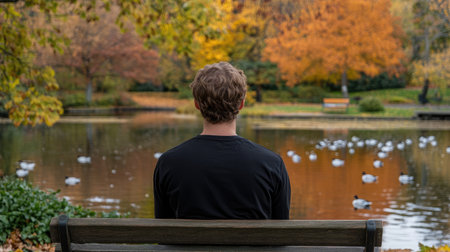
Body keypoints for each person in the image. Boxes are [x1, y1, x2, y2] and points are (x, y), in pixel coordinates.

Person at [153, 62, 291, 219]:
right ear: (241, 104)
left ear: (197, 104)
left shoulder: (169, 163)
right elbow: (280, 226)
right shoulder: (271, 164)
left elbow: (164, 229)